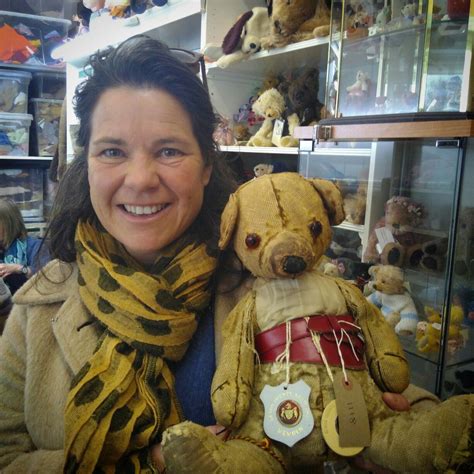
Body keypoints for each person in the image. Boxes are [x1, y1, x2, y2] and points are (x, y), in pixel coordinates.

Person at [0, 35, 433, 473]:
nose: (141, 179)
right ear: (87, 164)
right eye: (112, 151)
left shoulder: (278, 281)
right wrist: (150, 467)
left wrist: (397, 437)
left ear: (207, 166)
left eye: (169, 151)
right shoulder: (37, 308)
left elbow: (410, 408)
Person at [0, 198, 48, 295]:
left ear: (9, 224)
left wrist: (19, 269)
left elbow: (47, 277)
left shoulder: (36, 246)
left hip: (29, 301)